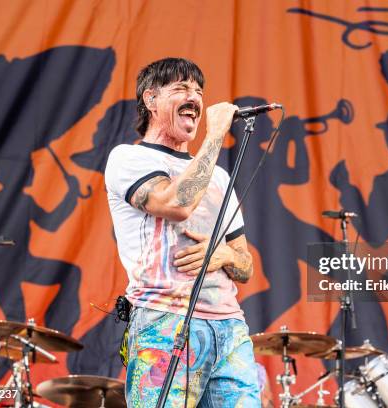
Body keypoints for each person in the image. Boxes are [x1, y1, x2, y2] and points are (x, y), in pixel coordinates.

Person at [105, 58, 260, 407]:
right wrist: (216, 133)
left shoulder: (219, 178)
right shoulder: (128, 159)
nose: (195, 98)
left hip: (230, 329)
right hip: (164, 322)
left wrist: (223, 255)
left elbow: (246, 266)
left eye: (199, 91)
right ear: (150, 99)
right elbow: (176, 203)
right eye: (181, 89)